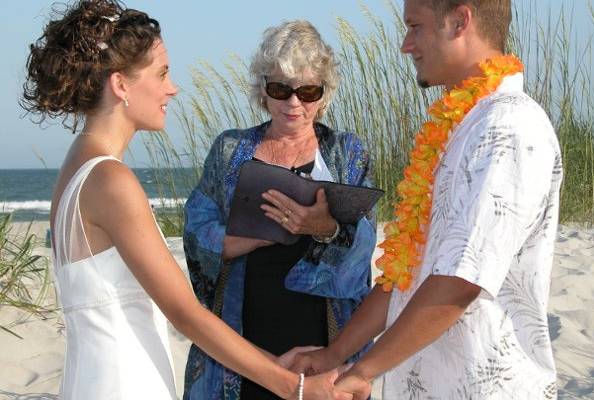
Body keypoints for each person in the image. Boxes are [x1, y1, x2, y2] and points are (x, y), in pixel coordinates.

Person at [21, 2, 354, 399]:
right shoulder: (111, 180)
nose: (172, 88)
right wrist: (293, 386)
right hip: (124, 382)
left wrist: (272, 363)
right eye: (162, 72)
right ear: (120, 85)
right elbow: (185, 313)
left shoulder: (76, 166)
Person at [291, 1, 563, 399]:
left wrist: (362, 371)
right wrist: (336, 354)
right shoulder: (461, 126)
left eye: (415, 26)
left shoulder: (508, 128)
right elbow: (408, 271)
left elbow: (458, 282)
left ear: (460, 21)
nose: (406, 44)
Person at [182, 20, 376, 400]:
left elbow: (364, 249)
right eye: (280, 89)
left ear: (324, 94)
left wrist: (325, 228)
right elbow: (194, 230)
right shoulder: (228, 149)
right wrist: (245, 238)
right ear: (262, 90)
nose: (293, 103)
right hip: (245, 335)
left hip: (324, 335)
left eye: (307, 91)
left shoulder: (348, 153)